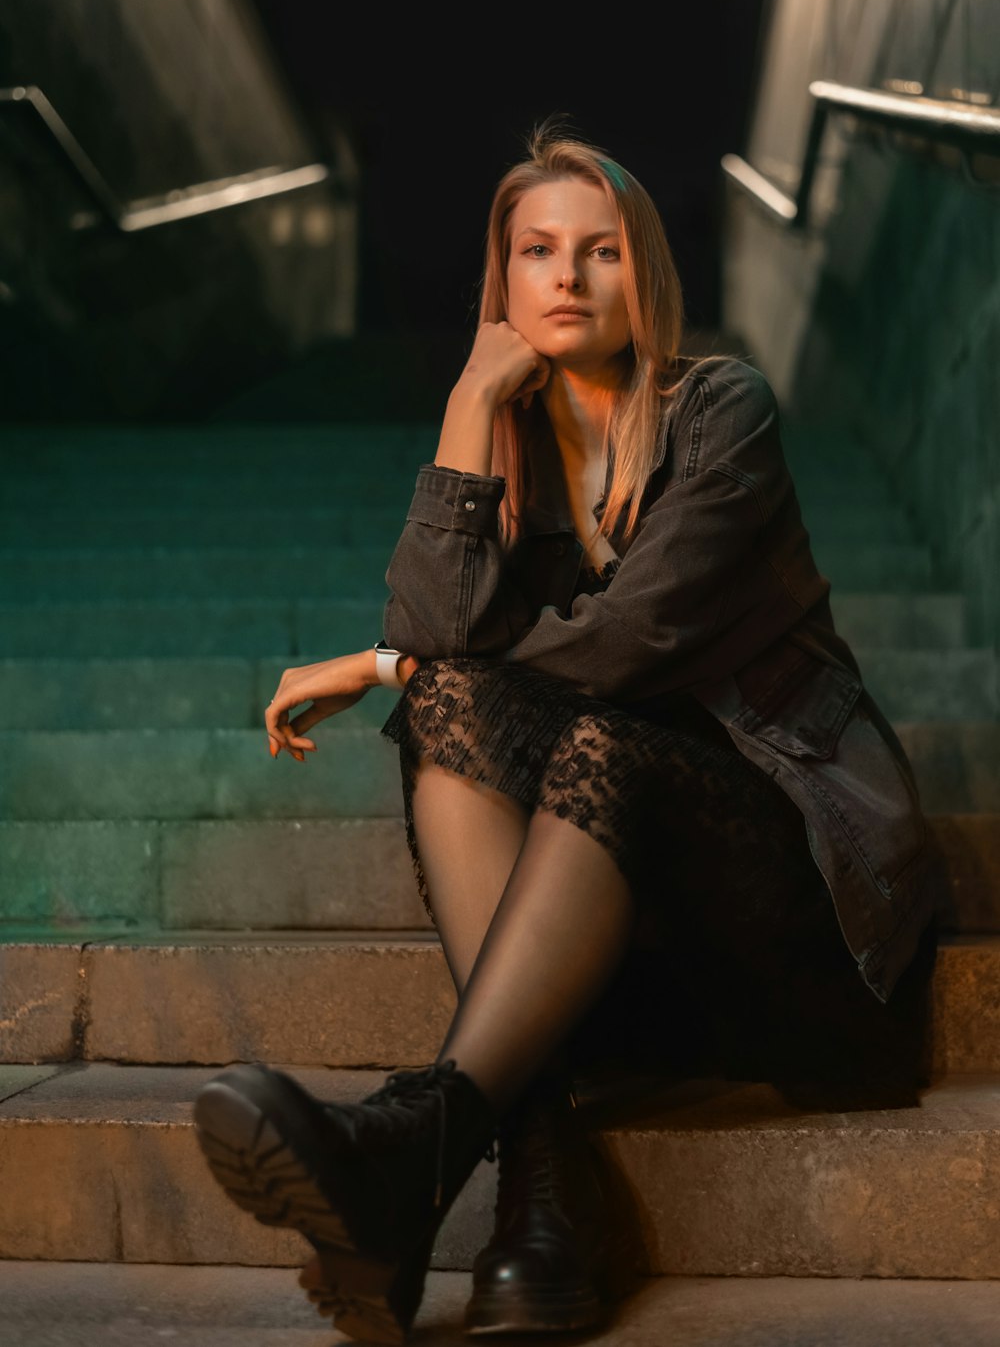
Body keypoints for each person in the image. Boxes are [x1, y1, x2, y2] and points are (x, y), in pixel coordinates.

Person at [192, 125, 939, 1344]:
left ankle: (405, 1150)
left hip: (802, 924)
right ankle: (532, 1222)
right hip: (602, 956)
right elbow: (434, 632)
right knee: (449, 705)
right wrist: (468, 398)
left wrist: (376, 665)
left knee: (589, 735)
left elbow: (619, 650)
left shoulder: (721, 413)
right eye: (537, 251)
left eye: (601, 251)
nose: (568, 278)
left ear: (645, 272)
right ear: (504, 280)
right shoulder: (516, 455)